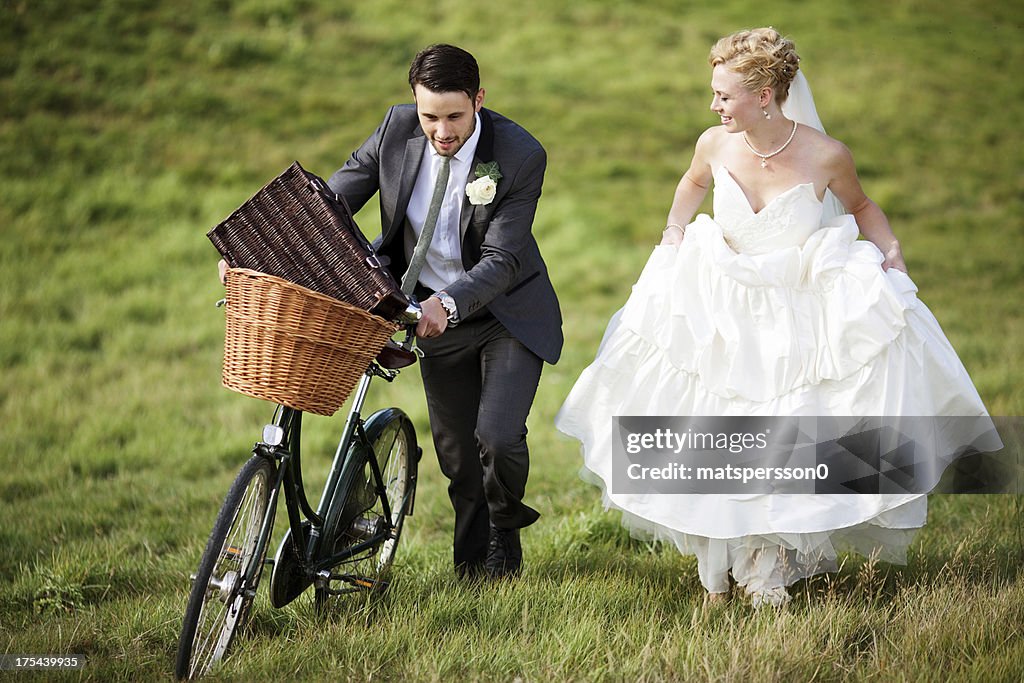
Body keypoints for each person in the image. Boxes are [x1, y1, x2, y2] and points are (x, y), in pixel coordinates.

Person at [555, 28, 997, 606]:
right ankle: (717, 568)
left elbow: (861, 206)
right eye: (714, 94)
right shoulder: (715, 143)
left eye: (724, 95)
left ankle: (769, 564)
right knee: (709, 420)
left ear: (765, 94)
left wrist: (889, 251)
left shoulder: (825, 153)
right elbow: (691, 184)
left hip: (796, 301)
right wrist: (673, 234)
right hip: (722, 292)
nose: (714, 105)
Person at [326, 44, 563, 580]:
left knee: (497, 437)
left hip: (506, 312)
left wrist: (449, 304)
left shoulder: (521, 155)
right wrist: (257, 249)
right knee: (457, 459)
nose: (441, 130)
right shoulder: (395, 131)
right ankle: (472, 567)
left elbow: (503, 259)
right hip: (428, 316)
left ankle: (506, 531)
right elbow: (330, 201)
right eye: (429, 115)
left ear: (479, 100)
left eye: (455, 116)